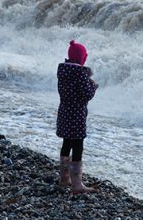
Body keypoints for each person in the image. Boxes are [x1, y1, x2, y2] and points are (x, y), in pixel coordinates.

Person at [57, 40, 98, 194]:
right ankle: (77, 184)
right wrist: (93, 85)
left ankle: (64, 178)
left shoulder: (63, 73)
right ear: (81, 58)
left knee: (66, 143)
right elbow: (86, 95)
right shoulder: (80, 75)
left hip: (64, 112)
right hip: (77, 115)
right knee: (78, 146)